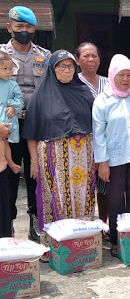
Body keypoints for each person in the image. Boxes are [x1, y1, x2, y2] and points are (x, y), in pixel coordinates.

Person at [22, 50, 95, 259]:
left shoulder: (83, 92)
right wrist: (34, 162)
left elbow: (96, 126)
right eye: (61, 66)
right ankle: (54, 245)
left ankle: (82, 242)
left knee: (82, 200)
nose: (66, 70)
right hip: (53, 160)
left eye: (70, 66)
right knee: (56, 200)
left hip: (83, 158)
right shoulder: (42, 95)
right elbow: (31, 132)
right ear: (52, 69)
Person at [92, 54, 130, 257]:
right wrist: (101, 162)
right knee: (116, 198)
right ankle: (117, 240)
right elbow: (98, 133)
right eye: (121, 75)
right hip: (113, 160)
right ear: (112, 75)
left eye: (129, 75)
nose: (125, 79)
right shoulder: (103, 100)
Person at [0, 6, 50, 242]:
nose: (24, 31)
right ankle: (6, 225)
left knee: (35, 176)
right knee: (7, 177)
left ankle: (34, 222)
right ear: (9, 27)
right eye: (19, 27)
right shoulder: (1, 55)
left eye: (28, 27)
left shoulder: (45, 56)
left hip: (36, 127)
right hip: (7, 128)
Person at [76, 42, 110, 236]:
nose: (91, 59)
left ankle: (105, 223)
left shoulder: (109, 82)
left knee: (105, 185)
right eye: (86, 56)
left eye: (94, 56)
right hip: (83, 143)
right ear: (77, 60)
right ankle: (85, 227)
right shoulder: (74, 83)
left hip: (108, 141)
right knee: (85, 185)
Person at [0, 52, 24, 175]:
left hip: (8, 120)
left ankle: (10, 163)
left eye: (10, 69)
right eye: (4, 69)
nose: (8, 72)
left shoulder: (13, 85)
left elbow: (20, 101)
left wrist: (14, 107)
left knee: (4, 143)